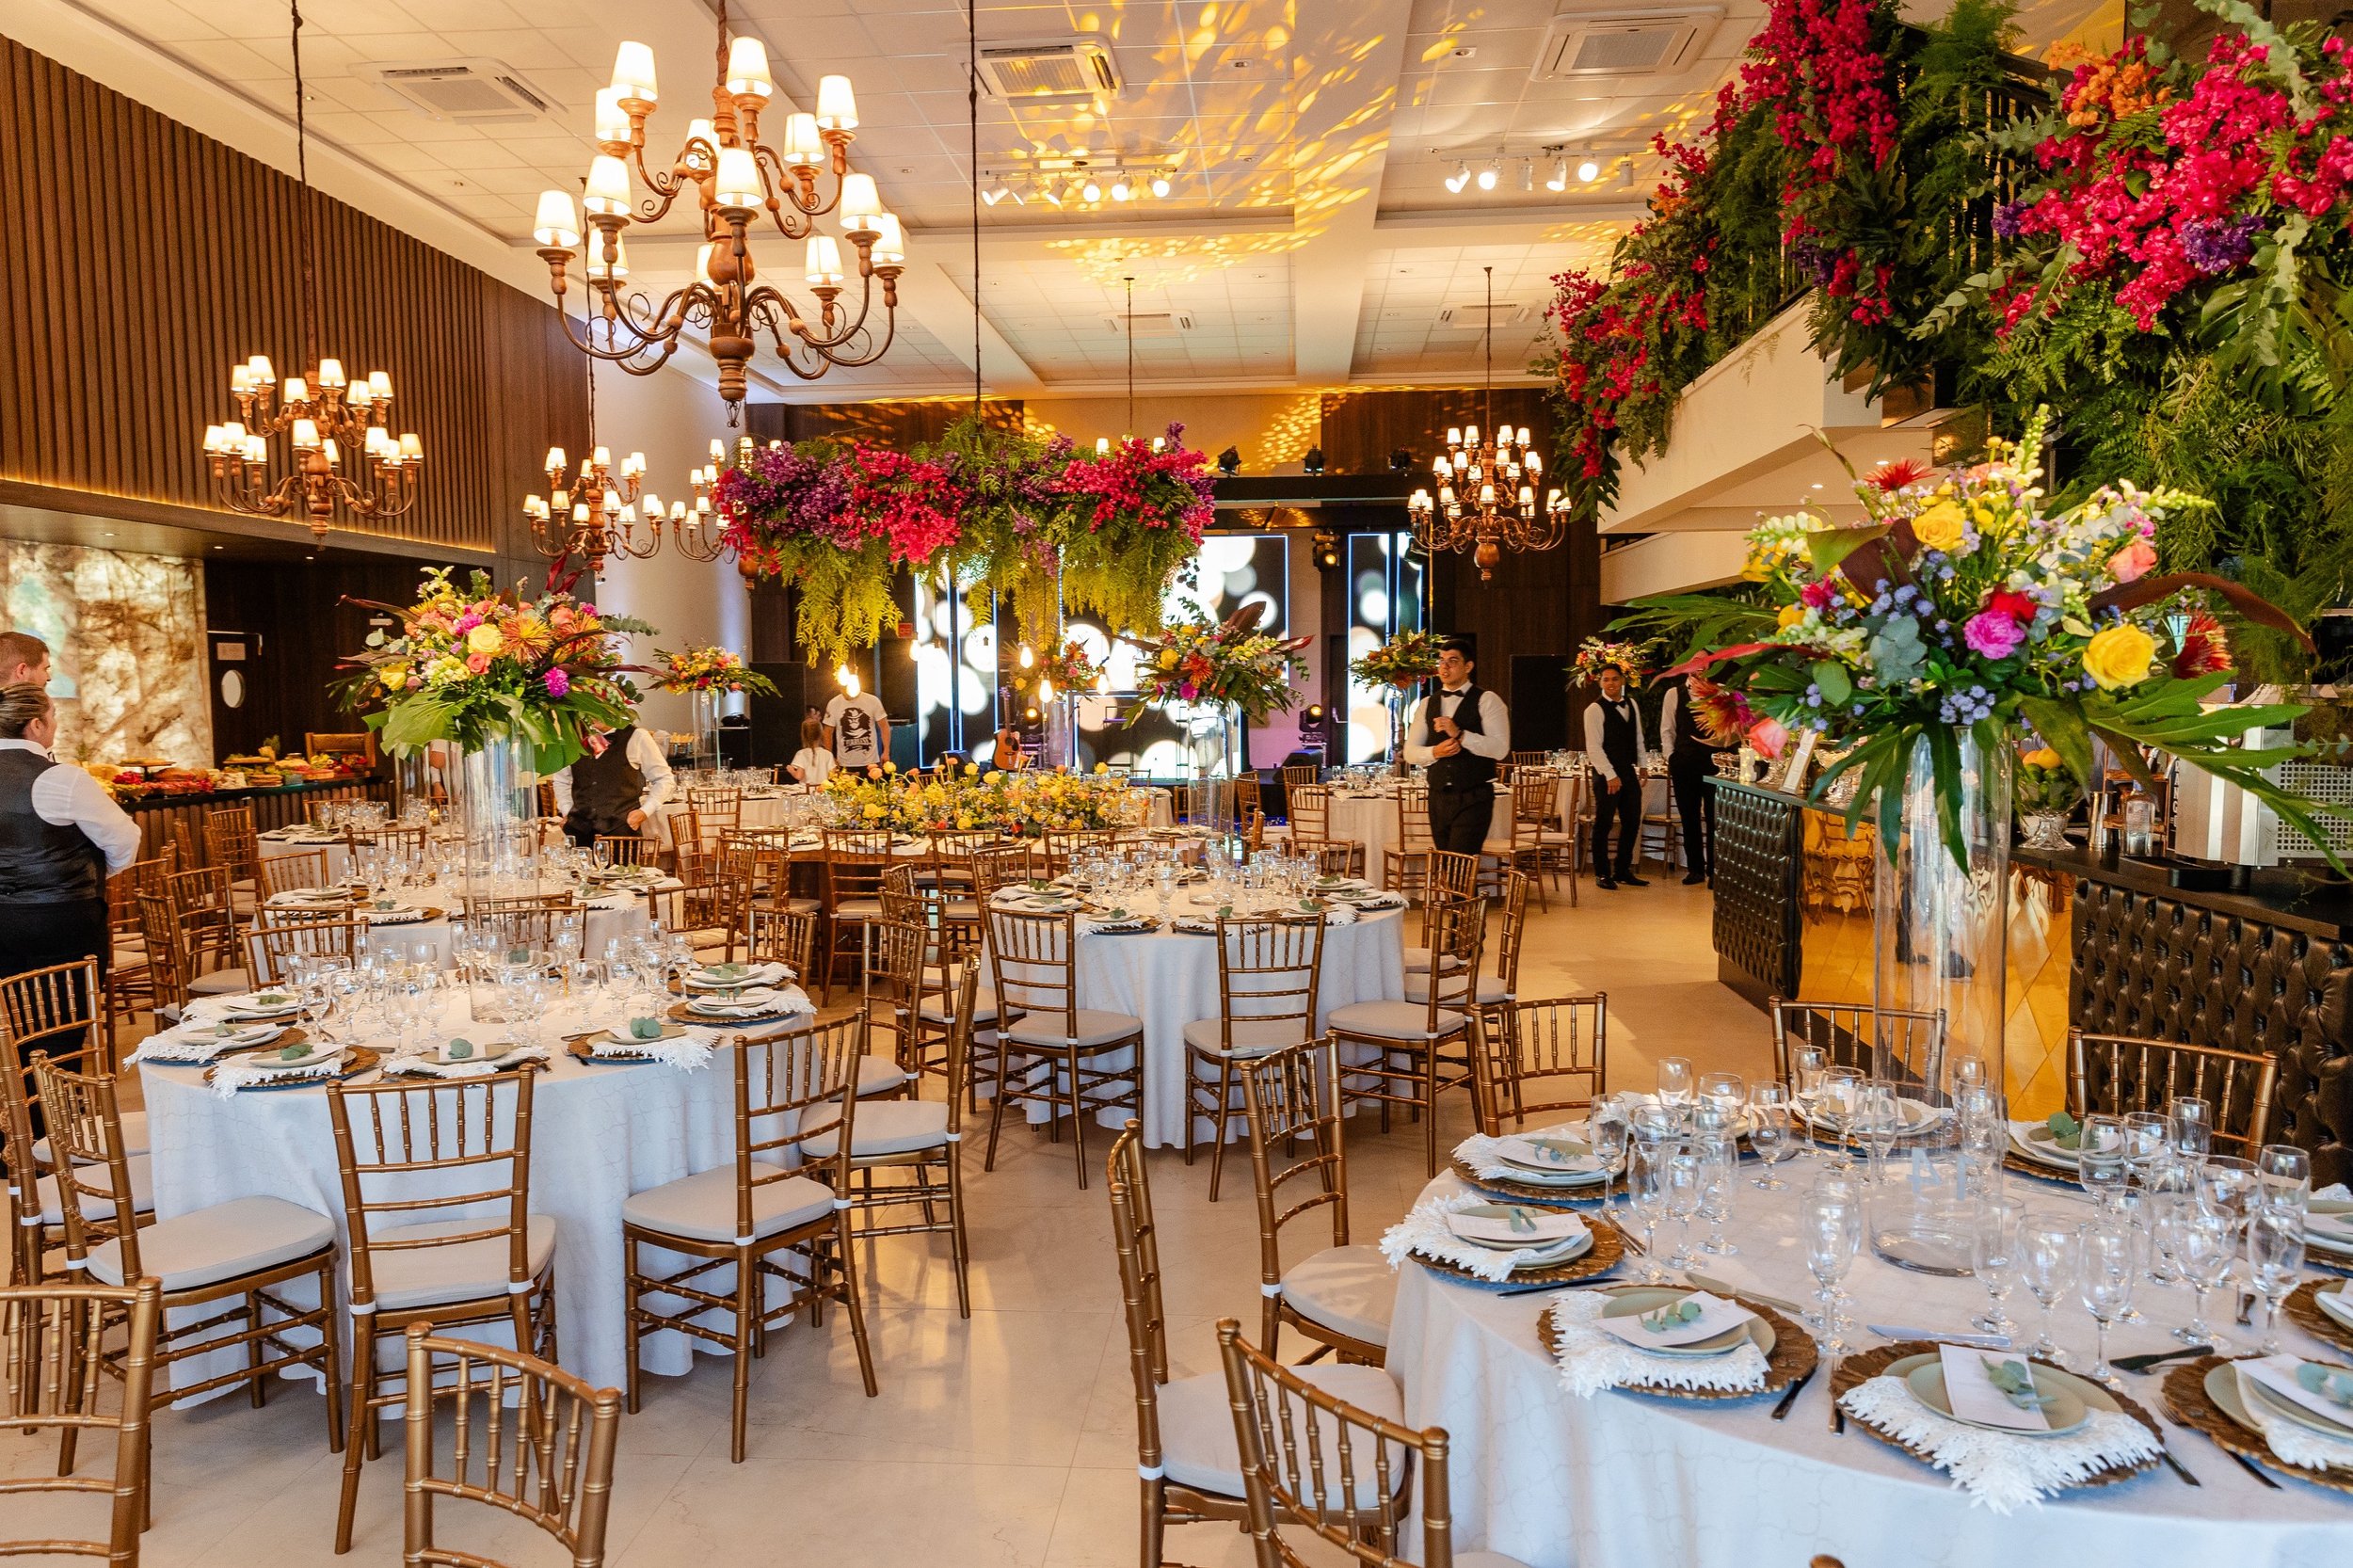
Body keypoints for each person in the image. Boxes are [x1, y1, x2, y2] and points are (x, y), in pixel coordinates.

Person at [0, 683, 141, 991]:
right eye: (54, 715)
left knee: (9, 1025)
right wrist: (94, 874)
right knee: (65, 1027)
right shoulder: (60, 778)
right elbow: (124, 840)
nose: (56, 723)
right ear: (36, 725)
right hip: (60, 919)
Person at [1403, 636, 1510, 856]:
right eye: (1441, 661)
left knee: (1461, 863)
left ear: (1468, 666)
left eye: (1452, 661)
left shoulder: (1487, 700)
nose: (1445, 667)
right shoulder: (1427, 704)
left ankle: (1464, 893)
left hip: (1474, 795)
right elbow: (1410, 752)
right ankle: (1460, 893)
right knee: (1447, 864)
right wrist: (1435, 752)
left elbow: (1500, 749)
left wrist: (1461, 735)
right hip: (1438, 796)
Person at [1581, 662, 1652, 889]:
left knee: (1632, 820)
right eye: (1606, 679)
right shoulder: (1594, 710)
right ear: (1600, 682)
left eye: (1614, 679)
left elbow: (1638, 736)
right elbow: (1594, 748)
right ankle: (1602, 873)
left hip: (1628, 770)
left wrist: (1643, 764)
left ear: (1622, 680)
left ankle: (1623, 870)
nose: (1610, 683)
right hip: (1605, 773)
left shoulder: (1631, 703)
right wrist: (1611, 775)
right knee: (1604, 823)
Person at [550, 716, 673, 846]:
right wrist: (566, 809)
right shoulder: (573, 737)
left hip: (621, 831)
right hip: (578, 831)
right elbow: (561, 780)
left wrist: (645, 811)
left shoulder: (637, 737)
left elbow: (664, 779)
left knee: (622, 868)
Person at [1660, 673, 1733, 886]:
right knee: (1689, 817)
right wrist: (1670, 757)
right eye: (1696, 665)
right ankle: (1695, 869)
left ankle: (1715, 870)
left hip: (1714, 764)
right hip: (1684, 763)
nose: (1700, 670)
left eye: (1704, 665)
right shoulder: (1674, 694)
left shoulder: (1722, 691)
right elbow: (1667, 729)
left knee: (1715, 818)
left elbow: (1732, 726)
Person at [824, 683, 890, 777]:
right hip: (845, 763)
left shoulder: (872, 701)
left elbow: (884, 727)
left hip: (870, 763)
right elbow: (827, 732)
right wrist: (830, 757)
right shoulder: (834, 703)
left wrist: (886, 751)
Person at [786, 717, 835, 786]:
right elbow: (832, 775)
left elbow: (799, 776)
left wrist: (791, 770)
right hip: (822, 791)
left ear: (804, 736)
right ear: (821, 734)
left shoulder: (801, 754)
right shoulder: (828, 754)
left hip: (805, 791)